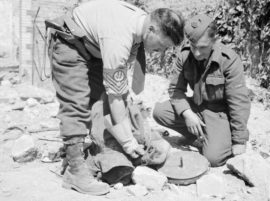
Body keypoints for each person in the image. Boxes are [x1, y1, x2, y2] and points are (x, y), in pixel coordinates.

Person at [46, 0, 184, 195]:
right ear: (152, 30)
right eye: (161, 45)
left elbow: (119, 87)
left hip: (91, 48)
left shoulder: (140, 24)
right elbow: (115, 96)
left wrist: (129, 128)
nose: (161, 52)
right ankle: (75, 171)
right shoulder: (119, 37)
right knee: (77, 103)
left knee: (96, 103)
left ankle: (76, 151)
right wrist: (128, 142)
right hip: (69, 43)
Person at [153, 14, 250, 167]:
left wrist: (239, 140)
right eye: (193, 47)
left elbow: (238, 102)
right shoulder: (184, 56)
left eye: (203, 47)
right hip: (197, 107)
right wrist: (187, 113)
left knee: (213, 159)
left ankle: (214, 139)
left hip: (219, 114)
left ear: (214, 40)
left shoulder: (229, 60)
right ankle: (198, 138)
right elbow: (175, 89)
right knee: (160, 112)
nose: (197, 53)